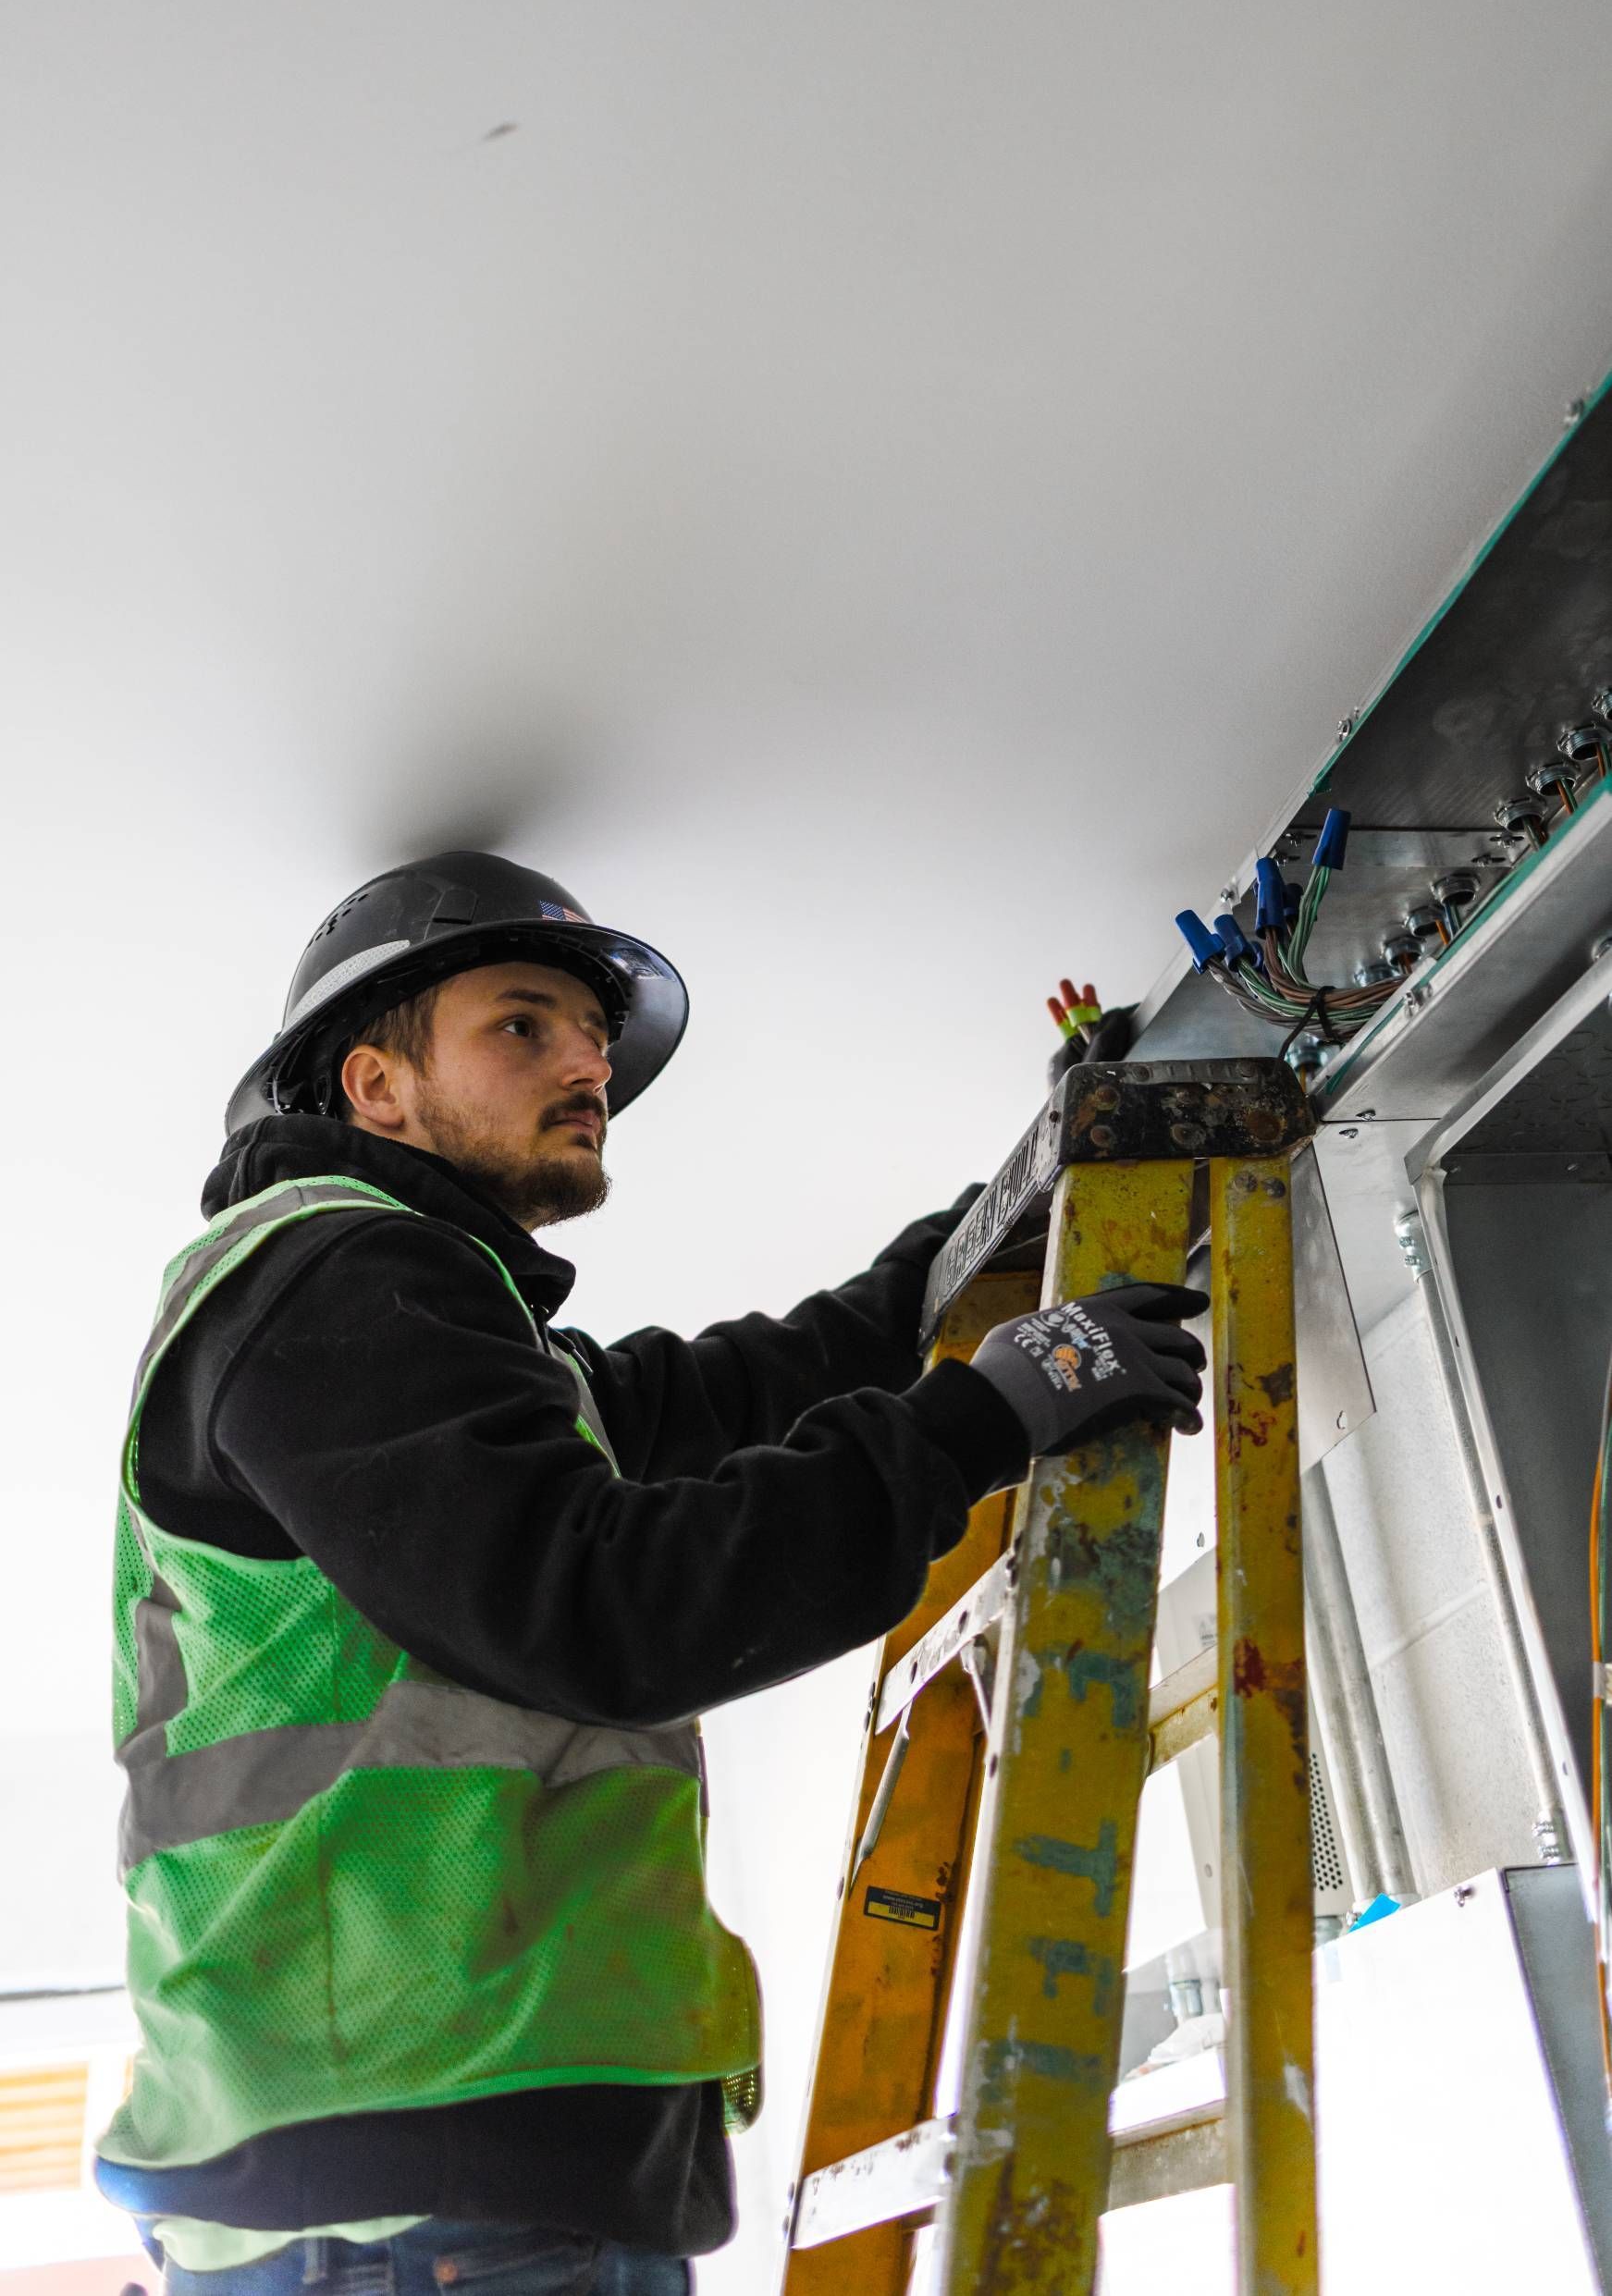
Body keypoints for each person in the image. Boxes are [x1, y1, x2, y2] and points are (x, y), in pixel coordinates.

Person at [96, 851, 1208, 2296]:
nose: (591, 1062)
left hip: (441, 2177)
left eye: (593, 1035)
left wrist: (1002, 1208)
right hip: (407, 2194)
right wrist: (990, 1411)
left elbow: (766, 1378)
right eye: (524, 1023)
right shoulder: (331, 1284)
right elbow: (612, 1608)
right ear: (374, 1086)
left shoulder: (449, 1346)